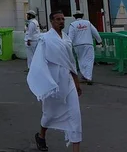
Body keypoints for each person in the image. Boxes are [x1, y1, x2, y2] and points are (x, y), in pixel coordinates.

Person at [28, 11, 83, 152]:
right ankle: (41, 135)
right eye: (58, 19)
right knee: (49, 114)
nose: (61, 21)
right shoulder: (45, 39)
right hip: (53, 83)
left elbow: (71, 63)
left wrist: (76, 83)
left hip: (68, 81)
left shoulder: (67, 40)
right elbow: (39, 62)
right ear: (52, 21)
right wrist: (44, 82)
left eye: (63, 19)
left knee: (75, 115)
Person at [68, 10, 102, 85]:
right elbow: (95, 32)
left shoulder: (72, 25)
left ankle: (85, 76)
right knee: (89, 60)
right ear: (82, 16)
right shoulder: (88, 23)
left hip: (77, 45)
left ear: (74, 17)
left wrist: (68, 46)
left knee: (81, 60)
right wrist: (99, 40)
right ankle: (88, 77)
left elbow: (70, 37)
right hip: (88, 44)